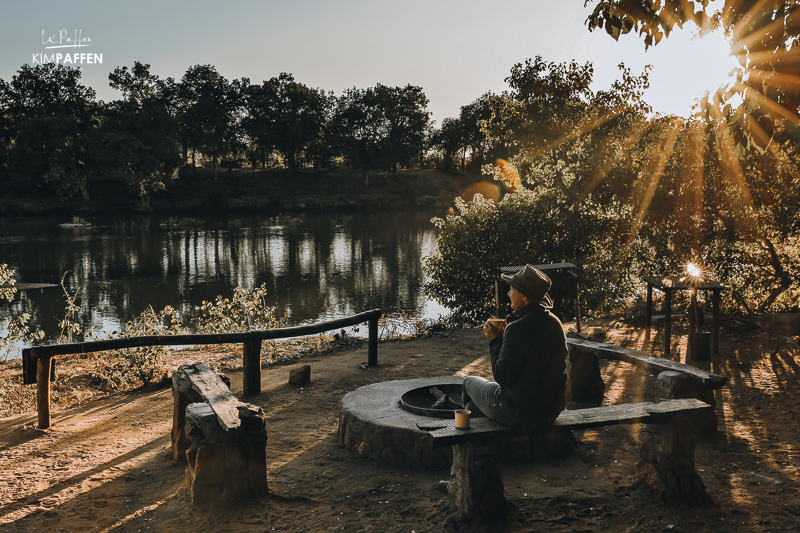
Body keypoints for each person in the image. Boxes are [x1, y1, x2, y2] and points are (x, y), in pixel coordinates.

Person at [462, 264, 568, 427]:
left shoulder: (517, 328)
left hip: (520, 412)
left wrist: (495, 340)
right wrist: (506, 339)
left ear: (524, 296)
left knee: (468, 382)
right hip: (551, 410)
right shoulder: (555, 323)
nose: (509, 294)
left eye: (512, 290)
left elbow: (502, 377)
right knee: (472, 408)